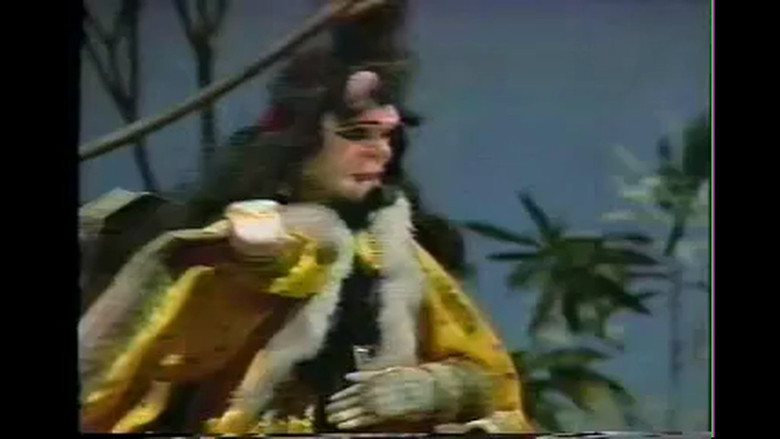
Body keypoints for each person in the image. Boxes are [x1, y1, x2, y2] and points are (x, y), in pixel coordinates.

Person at [79, 8, 534, 436]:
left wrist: (435, 388)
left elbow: (490, 381)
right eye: (357, 134)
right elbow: (153, 366)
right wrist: (258, 263)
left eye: (388, 136)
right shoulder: (224, 252)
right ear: (298, 141)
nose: (380, 151)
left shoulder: (398, 255)